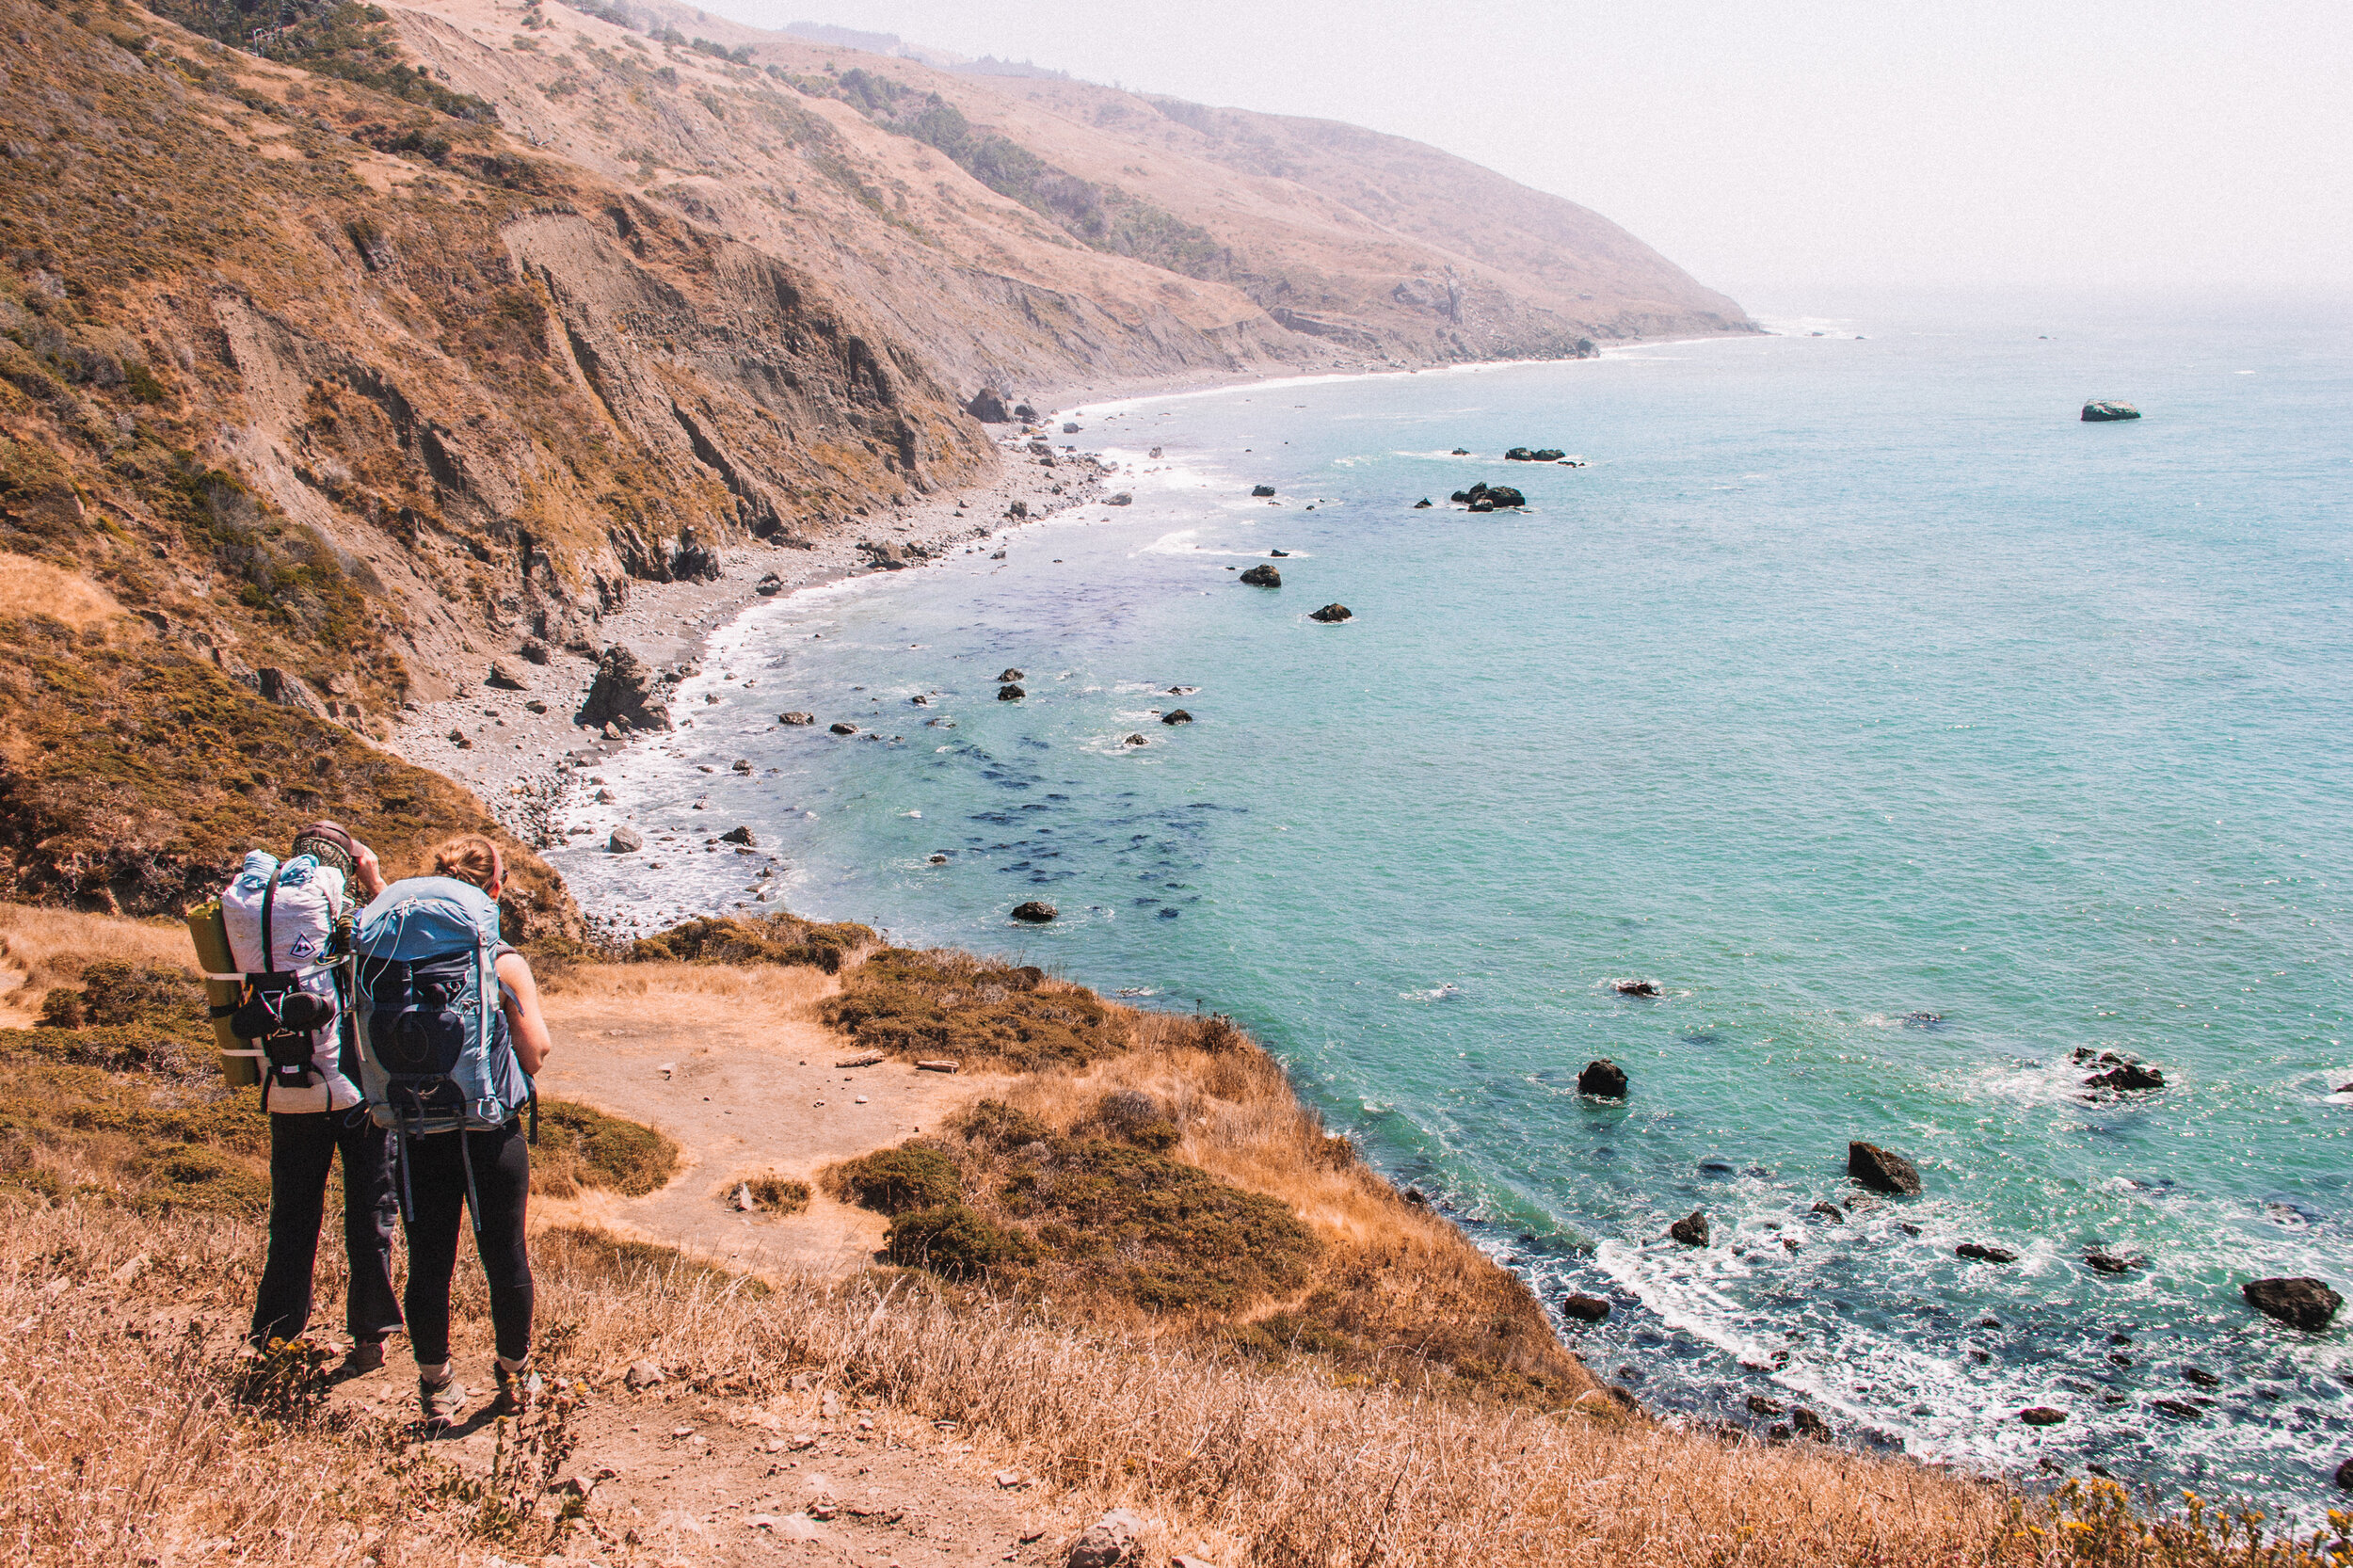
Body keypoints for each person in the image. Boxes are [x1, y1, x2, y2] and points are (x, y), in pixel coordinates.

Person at [391, 834, 552, 1429]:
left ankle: (435, 1385)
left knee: (428, 1258)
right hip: (489, 1127)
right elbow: (534, 1054)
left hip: (415, 1125)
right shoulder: (502, 960)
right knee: (505, 1255)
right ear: (496, 888)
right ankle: (513, 1377)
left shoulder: (393, 957)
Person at [242, 822, 403, 1375]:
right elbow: (404, 942)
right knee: (370, 1210)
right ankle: (371, 1334)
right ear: (343, 864)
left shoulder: (264, 921)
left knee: (291, 1215)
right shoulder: (348, 920)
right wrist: (375, 877)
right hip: (355, 1091)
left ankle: (275, 1335)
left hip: (288, 1089)